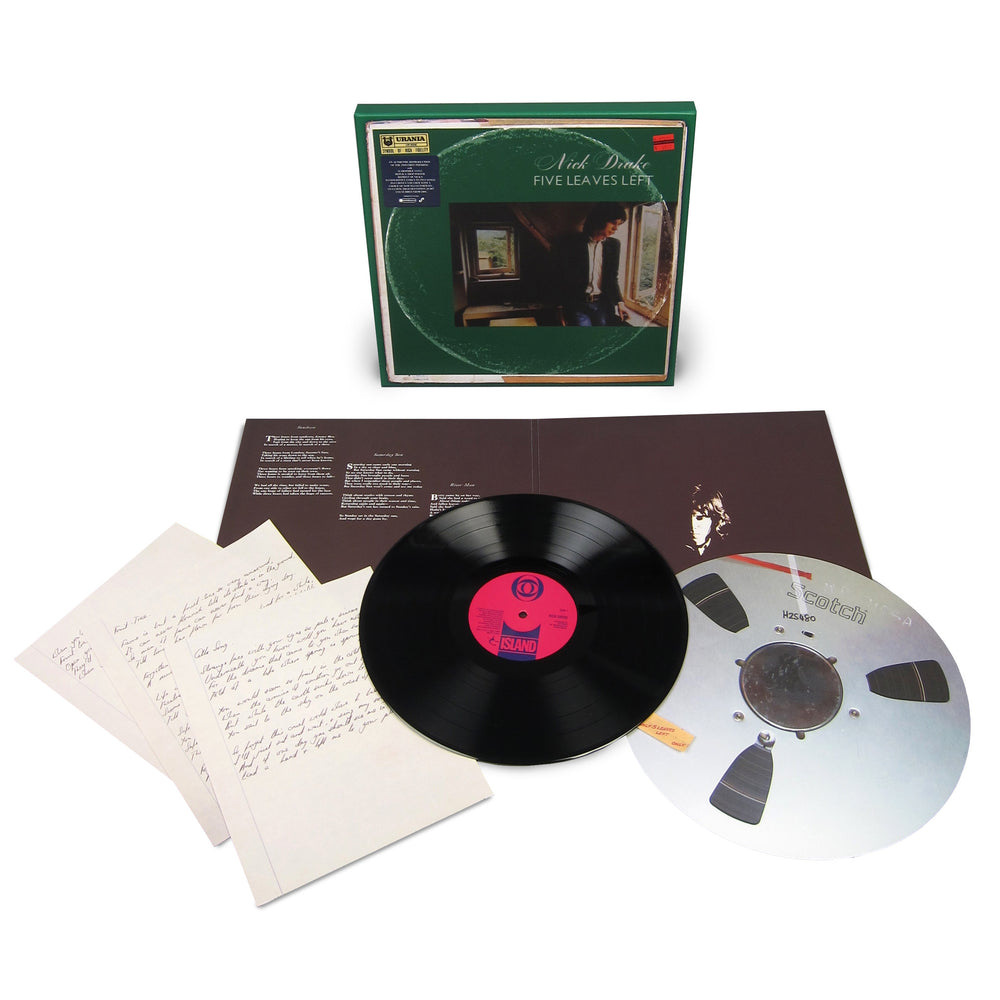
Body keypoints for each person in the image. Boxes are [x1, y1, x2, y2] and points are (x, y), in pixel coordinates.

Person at [552, 203, 629, 326]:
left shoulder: (614, 245)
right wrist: (559, 307)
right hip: (578, 305)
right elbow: (560, 277)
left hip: (602, 305)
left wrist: (620, 303)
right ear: (600, 220)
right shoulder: (571, 243)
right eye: (613, 223)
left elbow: (612, 278)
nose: (616, 228)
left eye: (618, 224)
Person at [686, 484, 732, 557]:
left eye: (700, 518)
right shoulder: (678, 550)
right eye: (688, 519)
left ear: (715, 519)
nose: (693, 526)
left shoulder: (726, 551)